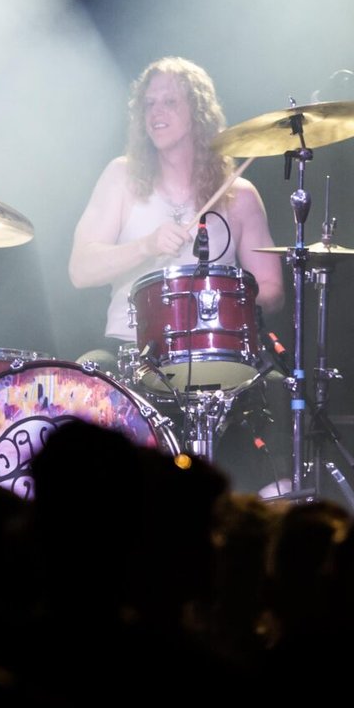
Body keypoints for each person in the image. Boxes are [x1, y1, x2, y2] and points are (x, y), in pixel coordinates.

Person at [69, 57, 285, 487]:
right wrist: (146, 246)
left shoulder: (239, 194)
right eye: (149, 104)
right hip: (133, 355)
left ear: (198, 112)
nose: (156, 112)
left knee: (276, 397)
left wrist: (221, 297)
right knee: (83, 383)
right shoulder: (122, 177)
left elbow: (273, 288)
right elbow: (80, 270)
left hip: (217, 357)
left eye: (169, 102)